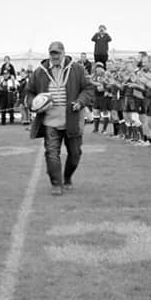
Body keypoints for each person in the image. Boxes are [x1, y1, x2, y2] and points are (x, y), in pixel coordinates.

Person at [26, 41, 95, 195]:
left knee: (75, 154)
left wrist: (80, 102)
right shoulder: (40, 72)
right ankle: (56, 184)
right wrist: (34, 103)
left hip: (72, 120)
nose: (54, 56)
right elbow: (29, 92)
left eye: (57, 53)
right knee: (51, 152)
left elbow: (88, 88)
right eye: (52, 53)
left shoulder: (77, 69)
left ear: (64, 53)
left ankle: (67, 177)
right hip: (50, 120)